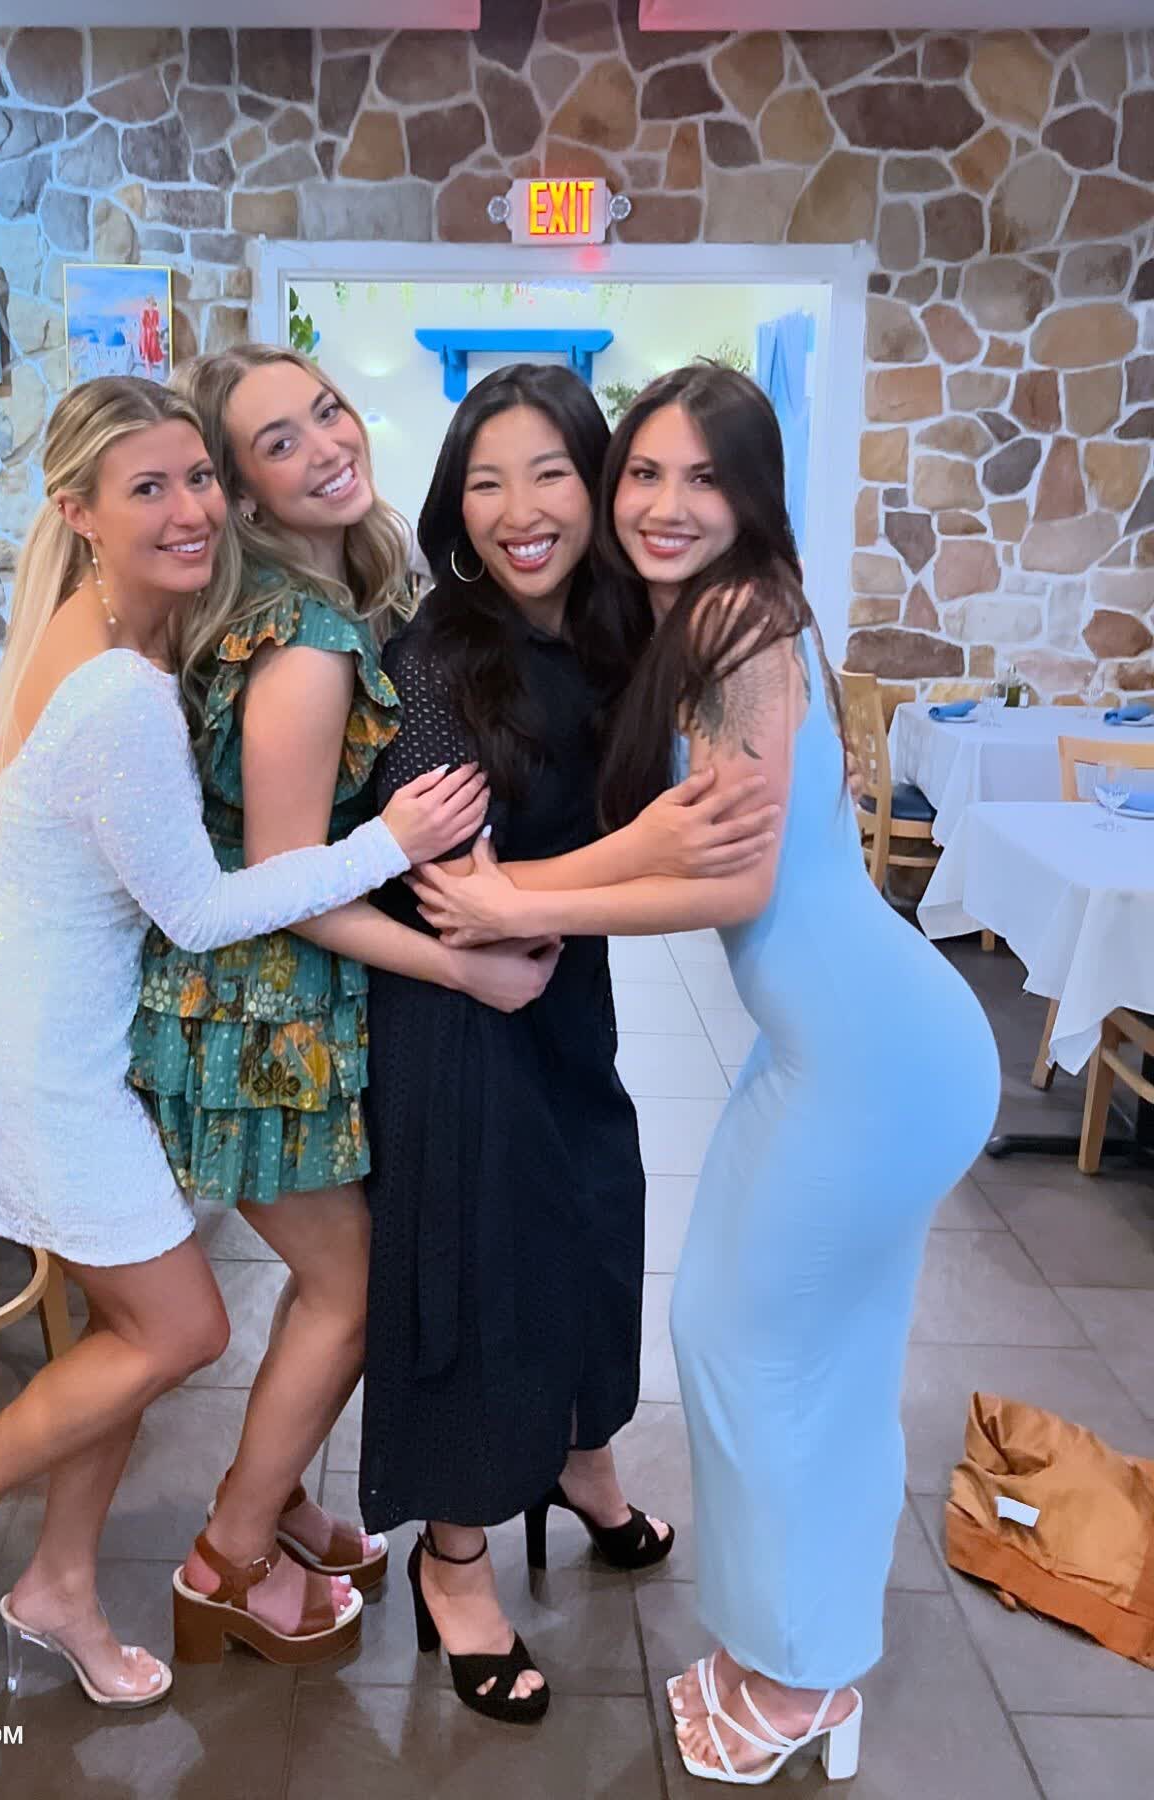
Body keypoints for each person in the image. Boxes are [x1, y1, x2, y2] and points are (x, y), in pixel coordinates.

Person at [0, 375, 489, 1704]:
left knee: (128, 1327)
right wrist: (391, 842)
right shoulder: (121, 688)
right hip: (40, 1065)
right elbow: (202, 912)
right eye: (151, 489)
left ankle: (58, 1585)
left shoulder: (117, 633)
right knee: (178, 1330)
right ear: (79, 512)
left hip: (63, 1040)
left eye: (197, 479)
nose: (190, 510)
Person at [411, 364, 1000, 1781]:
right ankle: (798, 1649)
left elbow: (729, 882)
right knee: (810, 1357)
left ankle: (798, 1682)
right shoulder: (706, 620)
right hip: (840, 1047)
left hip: (871, 1057)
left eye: (704, 478)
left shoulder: (736, 616)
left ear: (752, 497)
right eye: (646, 475)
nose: (665, 505)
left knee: (749, 1349)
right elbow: (694, 837)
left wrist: (513, 900)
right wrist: (519, 895)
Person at [361, 364, 779, 1723]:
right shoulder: (441, 655)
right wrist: (640, 847)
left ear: (593, 487)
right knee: (478, 1263)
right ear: (456, 505)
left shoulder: (617, 634)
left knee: (599, 1217)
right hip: (457, 1006)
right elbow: (452, 889)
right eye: (486, 482)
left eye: (550, 472)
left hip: (564, 986)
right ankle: (454, 1560)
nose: (519, 510)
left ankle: (581, 1460)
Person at [130, 345, 559, 1666]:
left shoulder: (336, 593)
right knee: (354, 1289)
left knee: (335, 1280)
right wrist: (463, 965)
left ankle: (272, 1505)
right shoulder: (308, 643)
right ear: (243, 491)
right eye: (278, 441)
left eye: (325, 410)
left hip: (278, 1011)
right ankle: (226, 1561)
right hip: (260, 1018)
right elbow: (282, 887)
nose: (325, 443)